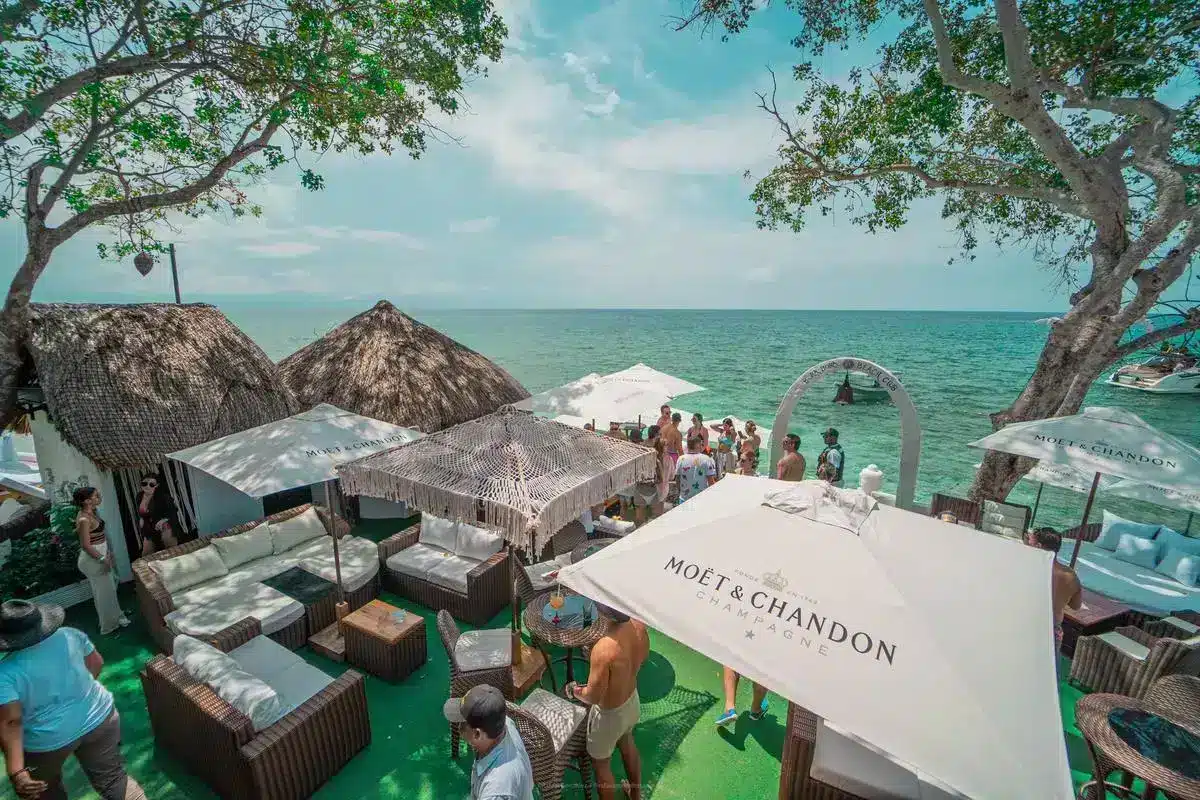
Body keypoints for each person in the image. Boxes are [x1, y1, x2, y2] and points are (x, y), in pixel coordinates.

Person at [0, 600, 146, 800]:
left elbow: (11, 721)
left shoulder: (5, 672)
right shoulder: (70, 634)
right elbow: (96, 664)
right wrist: (76, 696)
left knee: (45, 792)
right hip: (100, 716)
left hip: (47, 741)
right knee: (114, 780)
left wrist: (16, 770)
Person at [565, 604, 648, 800]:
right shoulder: (638, 625)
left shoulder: (603, 649)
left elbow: (592, 697)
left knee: (601, 765)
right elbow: (643, 658)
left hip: (609, 717)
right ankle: (635, 795)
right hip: (631, 701)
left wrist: (574, 691)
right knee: (627, 742)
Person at [443, 685, 534, 800]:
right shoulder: (505, 723)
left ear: (477, 734)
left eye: (462, 724)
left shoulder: (495, 792)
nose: (458, 727)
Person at [73, 488, 129, 636]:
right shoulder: (84, 519)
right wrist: (103, 559)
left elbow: (100, 536)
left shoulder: (92, 512)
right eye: (96, 496)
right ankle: (109, 625)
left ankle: (117, 616)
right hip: (93, 559)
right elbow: (85, 545)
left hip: (100, 554)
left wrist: (108, 553)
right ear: (87, 501)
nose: (99, 497)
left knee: (108, 589)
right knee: (104, 592)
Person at [1024, 528, 1082, 662]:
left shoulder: (1028, 569)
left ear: (1038, 546)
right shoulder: (1070, 576)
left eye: (1030, 543)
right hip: (1051, 632)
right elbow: (1076, 606)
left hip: (1028, 627)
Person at [134, 472, 180, 557]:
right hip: (149, 527)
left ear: (157, 485)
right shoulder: (139, 496)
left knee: (171, 551)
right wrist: (141, 519)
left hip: (164, 524)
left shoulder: (162, 496)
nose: (147, 486)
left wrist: (163, 520)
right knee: (146, 555)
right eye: (144, 483)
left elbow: (173, 511)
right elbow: (142, 513)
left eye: (151, 484)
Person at [675, 435, 717, 504]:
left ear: (688, 446)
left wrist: (680, 491)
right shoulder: (706, 459)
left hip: (684, 498)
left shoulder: (681, 459)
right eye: (701, 444)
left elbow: (677, 478)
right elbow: (711, 481)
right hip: (701, 499)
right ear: (698, 445)